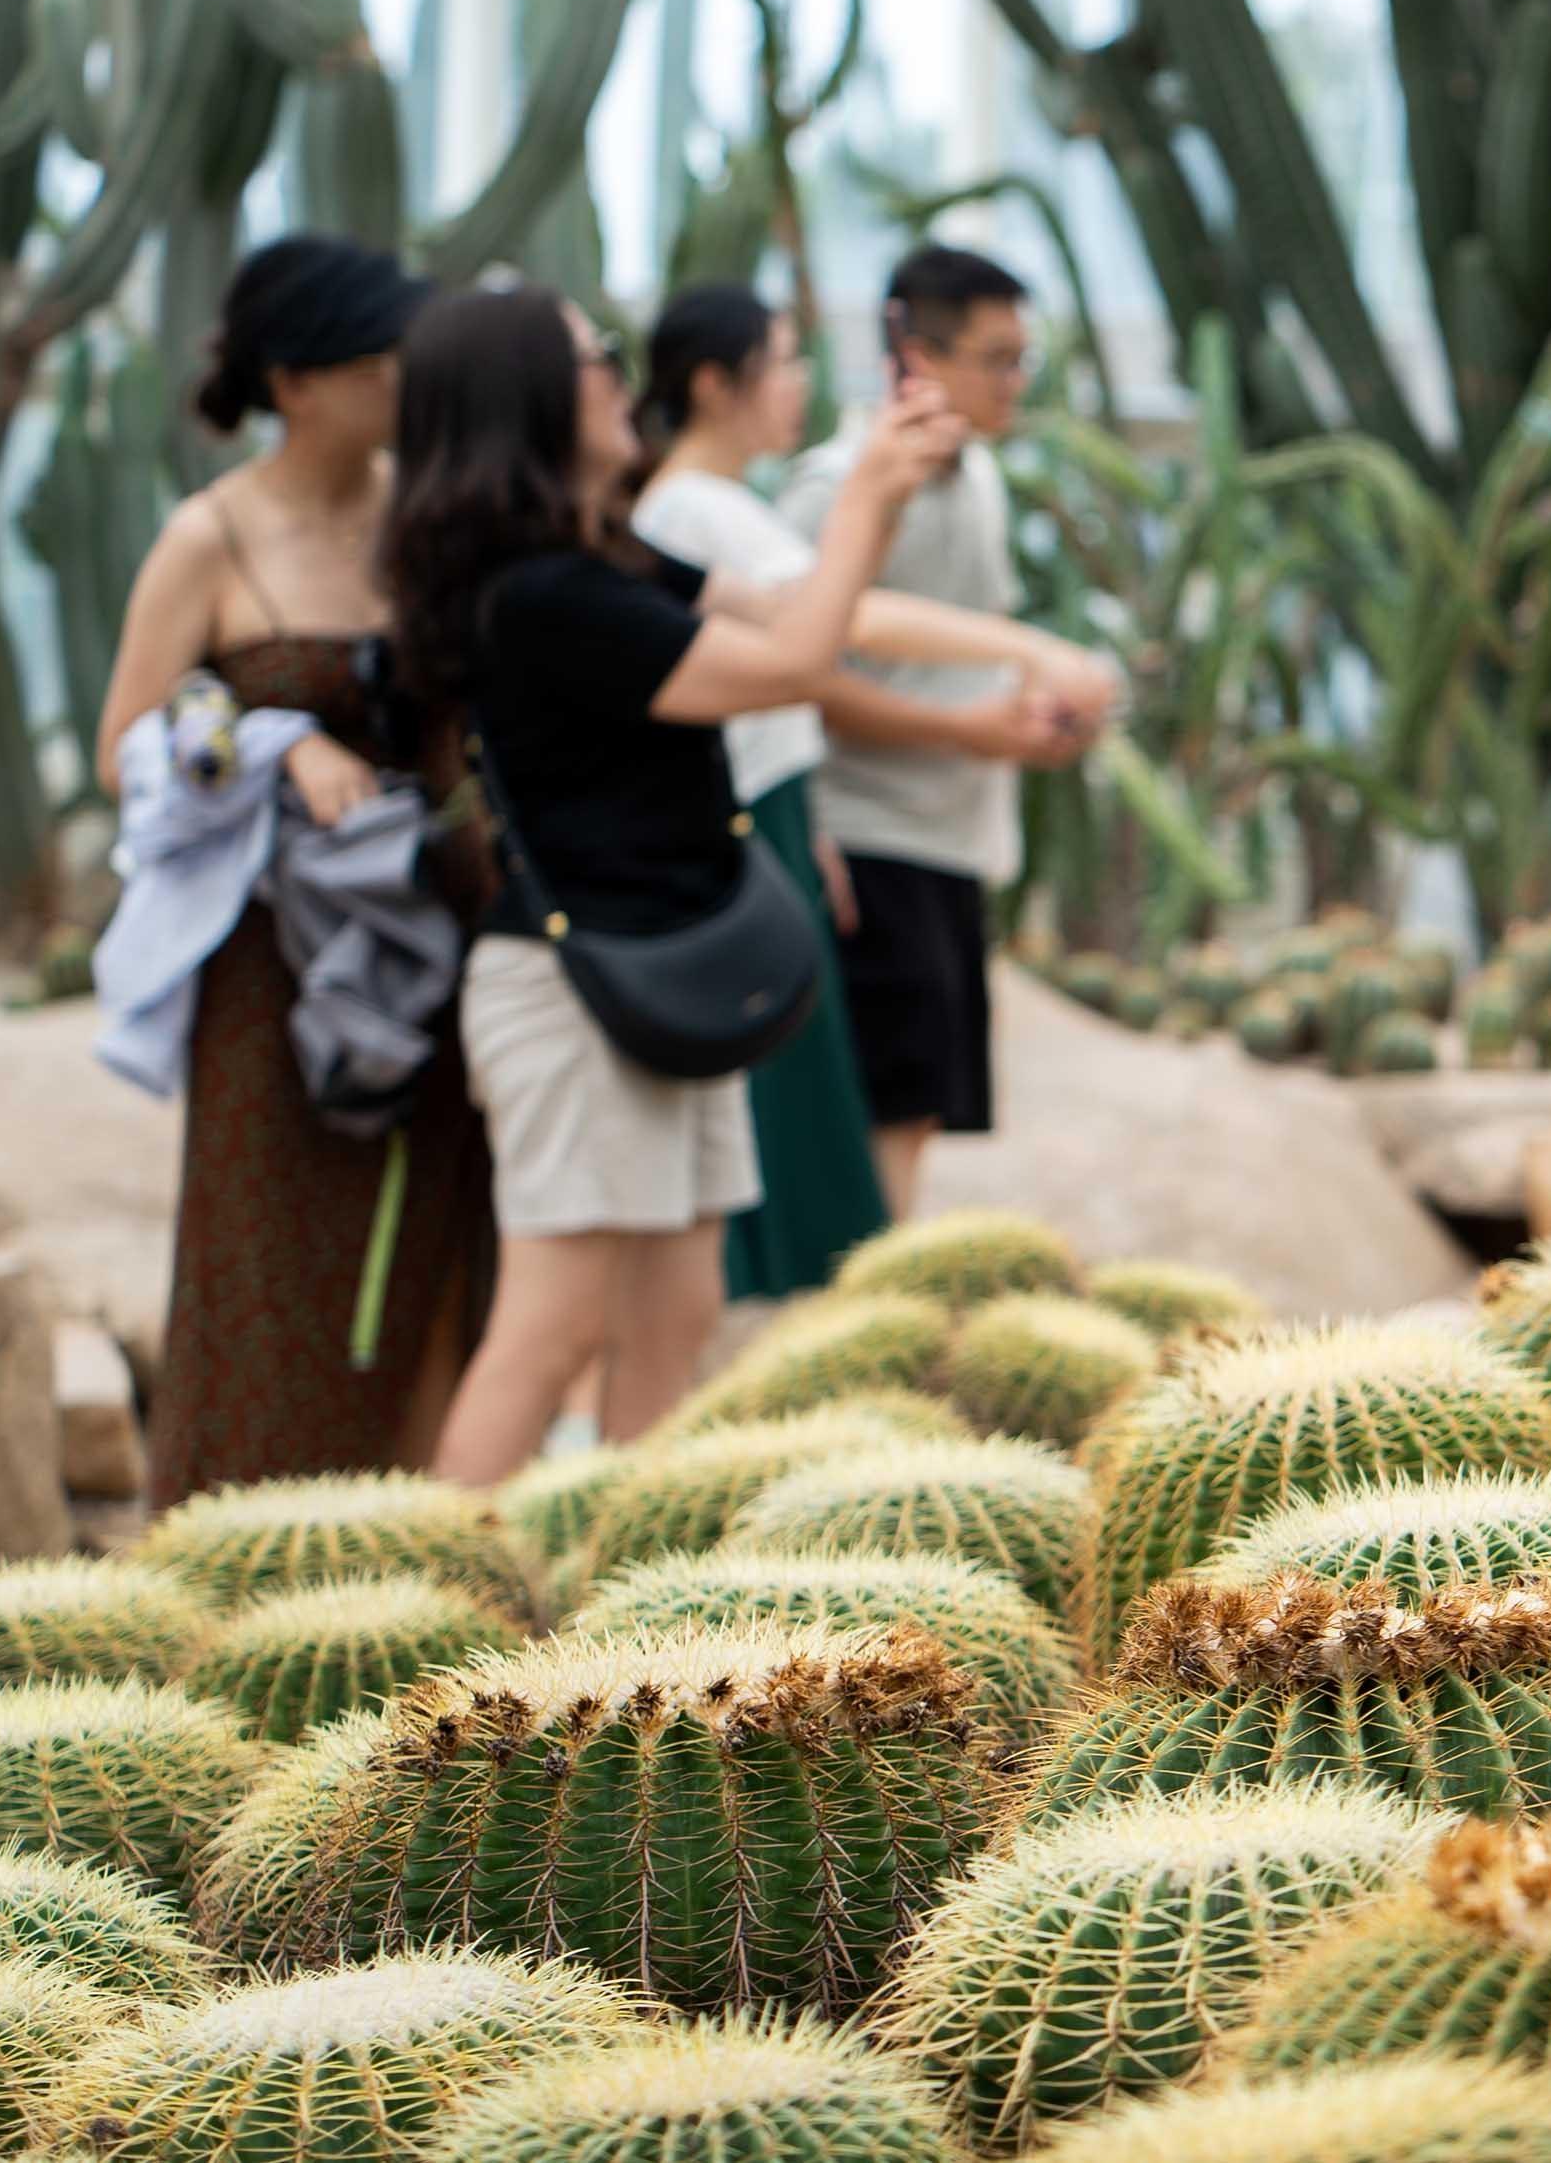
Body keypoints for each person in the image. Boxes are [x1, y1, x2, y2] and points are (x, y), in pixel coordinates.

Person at [385, 286, 966, 1484]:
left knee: (677, 1309)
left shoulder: (598, 557)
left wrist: (873, 509)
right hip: (575, 989)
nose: (616, 373)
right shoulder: (546, 599)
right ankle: (431, 1618)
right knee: (552, 1331)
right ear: (531, 401)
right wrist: (863, 491)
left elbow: (792, 615)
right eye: (593, 355)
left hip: (650, 975)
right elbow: (799, 664)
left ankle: (620, 1594)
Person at [91, 235, 499, 1505]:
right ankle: (237, 1564)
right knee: (264, 1263)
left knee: (437, 1245)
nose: (407, 384)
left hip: (438, 936)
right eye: (385, 362)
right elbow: (126, 745)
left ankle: (419, 1564)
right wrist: (277, 743)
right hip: (272, 965)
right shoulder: (208, 536)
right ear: (300, 381)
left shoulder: (429, 521)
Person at [630, 286, 1112, 1300]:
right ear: (714, 384)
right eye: (782, 359)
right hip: (803, 826)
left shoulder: (732, 506)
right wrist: (1027, 654)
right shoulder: (691, 512)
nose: (803, 381)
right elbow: (839, 624)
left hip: (809, 822)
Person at [780, 246, 1103, 1224]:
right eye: (995, 358)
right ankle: (857, 1337)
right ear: (913, 355)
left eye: (1022, 360)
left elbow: (953, 654)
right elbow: (794, 669)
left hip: (953, 838)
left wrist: (1024, 721)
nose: (1014, 382)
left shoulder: (984, 481)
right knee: (886, 1117)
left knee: (915, 1118)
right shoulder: (835, 488)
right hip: (868, 836)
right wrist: (964, 729)